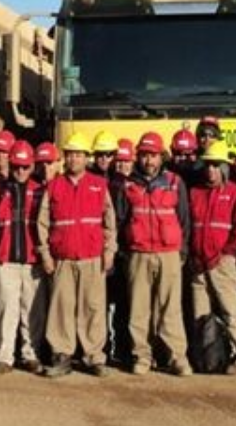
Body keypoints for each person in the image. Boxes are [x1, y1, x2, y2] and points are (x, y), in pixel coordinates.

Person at [38, 132, 118, 378]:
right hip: (62, 258)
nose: (74, 159)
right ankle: (62, 355)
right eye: (70, 154)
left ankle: (94, 356)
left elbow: (109, 223)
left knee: (93, 308)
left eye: (79, 155)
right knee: (61, 308)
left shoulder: (99, 185)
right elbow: (42, 223)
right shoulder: (54, 186)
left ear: (86, 158)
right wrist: (45, 255)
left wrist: (110, 250)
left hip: (92, 258)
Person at [122, 131, 193, 377]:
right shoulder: (128, 183)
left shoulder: (175, 182)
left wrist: (182, 251)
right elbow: (121, 220)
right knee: (138, 309)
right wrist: (126, 253)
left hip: (169, 254)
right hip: (139, 254)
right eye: (144, 156)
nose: (148, 161)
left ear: (161, 157)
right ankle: (141, 356)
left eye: (153, 156)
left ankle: (177, 357)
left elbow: (184, 219)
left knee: (170, 308)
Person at [188, 141, 236, 375]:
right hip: (198, 263)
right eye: (207, 165)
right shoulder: (194, 193)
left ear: (225, 167)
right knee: (200, 314)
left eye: (216, 165)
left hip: (223, 263)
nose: (211, 170)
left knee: (230, 311)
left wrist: (227, 253)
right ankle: (205, 357)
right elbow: (188, 227)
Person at [0, 142, 48, 375]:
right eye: (16, 166)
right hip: (6, 260)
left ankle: (30, 354)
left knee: (33, 310)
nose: (21, 171)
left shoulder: (41, 190)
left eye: (25, 166)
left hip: (33, 259)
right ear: (10, 165)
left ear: (32, 166)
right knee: (5, 309)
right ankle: (4, 357)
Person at [105, 137, 136, 365]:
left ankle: (125, 350)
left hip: (129, 253)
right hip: (109, 252)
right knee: (105, 304)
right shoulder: (106, 185)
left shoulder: (137, 186)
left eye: (126, 161)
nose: (121, 165)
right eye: (119, 161)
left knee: (128, 305)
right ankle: (107, 348)